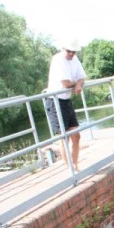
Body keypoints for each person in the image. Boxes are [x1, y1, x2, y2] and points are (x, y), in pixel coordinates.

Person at [45, 39, 86, 171]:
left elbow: (82, 76)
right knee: (64, 137)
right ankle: (70, 169)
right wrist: (77, 84)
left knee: (76, 135)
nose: (71, 54)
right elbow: (66, 84)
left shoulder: (75, 59)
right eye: (69, 51)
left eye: (73, 52)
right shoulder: (58, 60)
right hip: (54, 100)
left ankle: (75, 164)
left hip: (66, 100)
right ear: (63, 49)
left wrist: (79, 84)